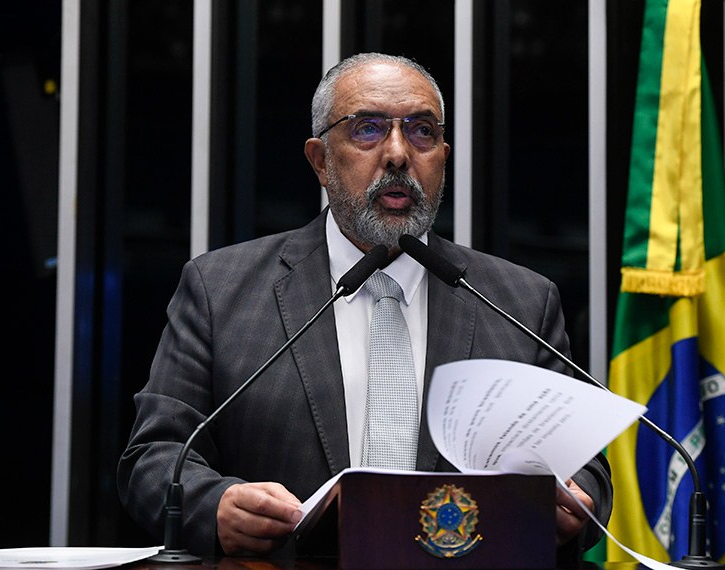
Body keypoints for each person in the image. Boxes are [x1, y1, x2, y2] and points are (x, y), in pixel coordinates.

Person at [117, 52, 612, 564]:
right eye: (368, 129)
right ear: (320, 161)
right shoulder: (221, 290)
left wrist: (578, 500)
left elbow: (587, 466)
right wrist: (214, 506)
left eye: (421, 131)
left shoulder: (520, 301)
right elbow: (154, 457)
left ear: (443, 157)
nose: (398, 153)